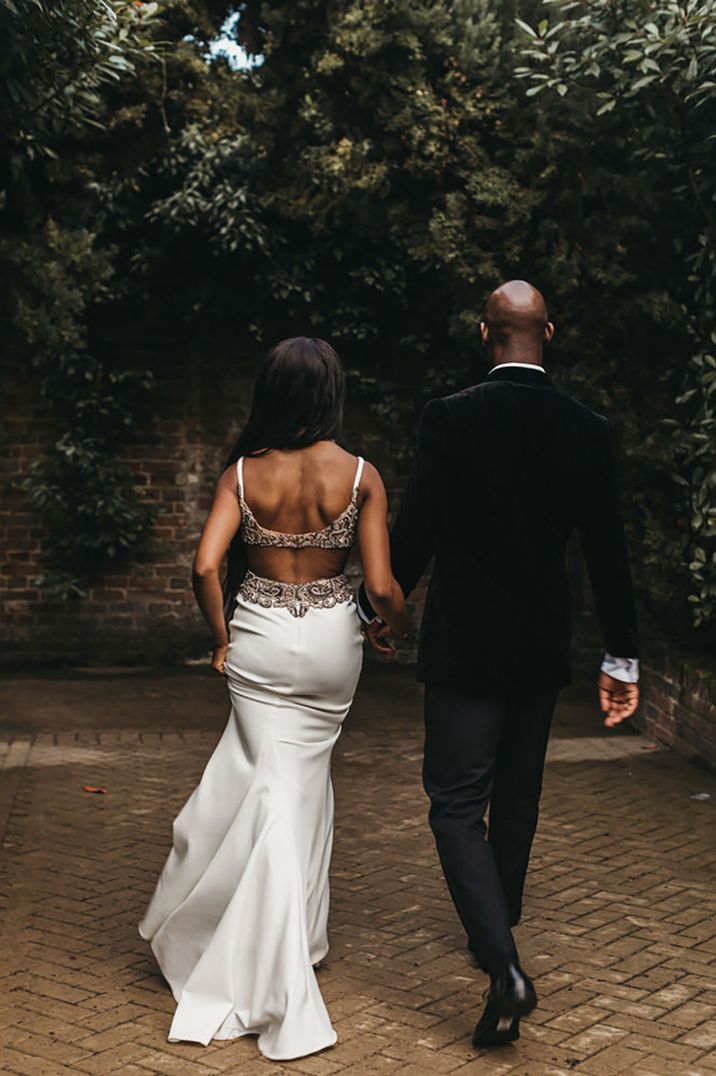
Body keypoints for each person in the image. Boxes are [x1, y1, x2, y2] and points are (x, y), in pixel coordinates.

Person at [359, 280, 640, 1047]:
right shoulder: (585, 427)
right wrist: (622, 657)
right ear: (548, 331)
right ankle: (494, 931)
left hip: (467, 643)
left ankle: (505, 967)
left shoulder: (451, 417)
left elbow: (416, 528)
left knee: (455, 801)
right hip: (541, 641)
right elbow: (609, 554)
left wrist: (372, 608)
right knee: (517, 794)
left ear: (486, 335)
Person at [138, 337, 409, 1061]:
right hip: (328, 647)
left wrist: (221, 636)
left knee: (269, 783)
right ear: (329, 395)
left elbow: (204, 563)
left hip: (257, 634)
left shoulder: (240, 473)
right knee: (299, 785)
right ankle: (296, 942)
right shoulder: (360, 475)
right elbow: (380, 586)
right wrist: (392, 624)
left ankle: (266, 933)